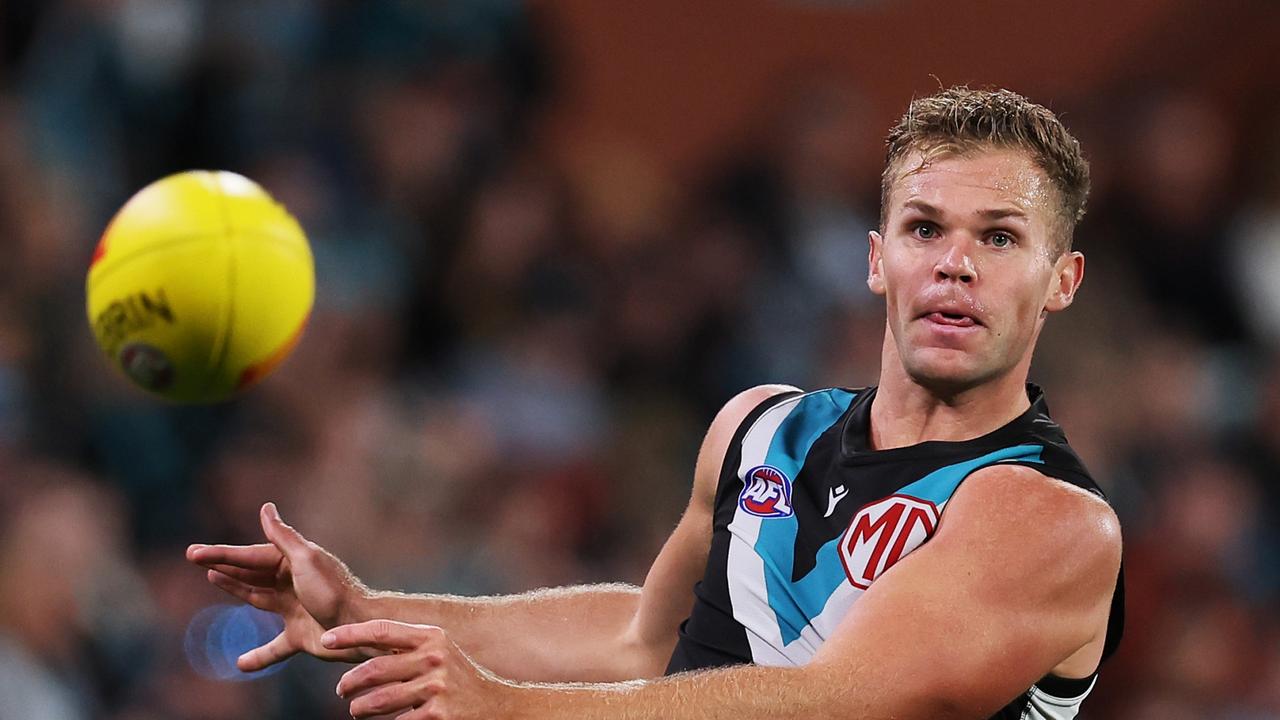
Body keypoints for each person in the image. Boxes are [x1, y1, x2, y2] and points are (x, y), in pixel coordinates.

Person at [188, 86, 1124, 720]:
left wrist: (510, 707)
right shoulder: (759, 428)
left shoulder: (1049, 521)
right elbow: (649, 642)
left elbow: (839, 698)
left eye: (1000, 238)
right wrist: (369, 608)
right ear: (878, 259)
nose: (955, 263)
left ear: (1062, 281)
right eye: (925, 228)